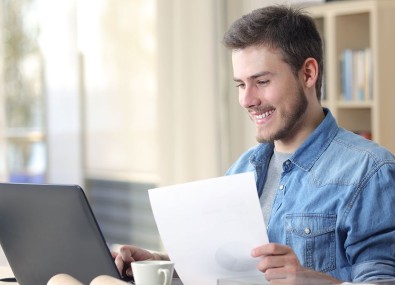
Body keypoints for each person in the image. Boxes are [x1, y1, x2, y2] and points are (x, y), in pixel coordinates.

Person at [49, 4, 395, 285]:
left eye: (261, 81)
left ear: (308, 74)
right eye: (240, 85)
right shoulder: (246, 167)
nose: (247, 100)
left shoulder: (369, 171)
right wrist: (162, 266)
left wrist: (312, 282)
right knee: (64, 280)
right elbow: (223, 272)